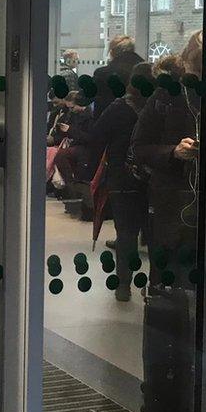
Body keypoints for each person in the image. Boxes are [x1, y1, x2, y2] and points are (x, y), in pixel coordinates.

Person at [131, 31, 203, 412]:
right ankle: (163, 397)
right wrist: (173, 152)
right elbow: (139, 147)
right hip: (174, 217)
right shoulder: (167, 95)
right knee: (167, 307)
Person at [87, 62, 152, 302]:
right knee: (153, 233)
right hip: (152, 178)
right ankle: (156, 284)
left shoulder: (119, 107)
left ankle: (123, 286)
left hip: (121, 176)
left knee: (125, 233)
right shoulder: (157, 106)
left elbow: (97, 135)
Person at [93, 35, 144, 119]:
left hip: (110, 123)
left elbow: (90, 99)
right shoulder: (146, 71)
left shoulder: (102, 73)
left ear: (112, 52)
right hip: (139, 123)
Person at [51, 91, 95, 185]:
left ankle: (70, 183)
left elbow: (89, 138)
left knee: (61, 155)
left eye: (72, 107)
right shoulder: (72, 114)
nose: (71, 110)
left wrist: (69, 130)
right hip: (74, 143)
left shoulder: (90, 117)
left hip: (84, 146)